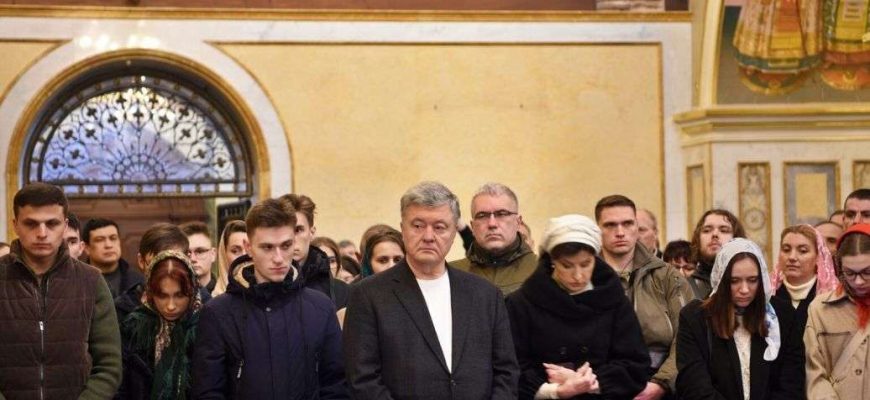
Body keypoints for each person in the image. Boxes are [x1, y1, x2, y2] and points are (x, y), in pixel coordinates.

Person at [343, 181, 519, 399]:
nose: (428, 236)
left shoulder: (485, 295)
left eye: (439, 227)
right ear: (403, 229)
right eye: (418, 226)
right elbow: (363, 379)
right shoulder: (368, 295)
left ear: (453, 232)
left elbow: (506, 372)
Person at [192, 198, 347, 398]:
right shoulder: (218, 313)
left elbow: (335, 385)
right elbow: (208, 391)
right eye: (267, 247)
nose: (278, 258)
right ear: (248, 247)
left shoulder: (321, 308)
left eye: (286, 245)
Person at [506, 214, 651, 399]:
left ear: (596, 258)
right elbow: (512, 365)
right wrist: (555, 391)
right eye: (567, 266)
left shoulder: (613, 299)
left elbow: (635, 364)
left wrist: (589, 383)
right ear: (552, 261)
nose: (578, 276)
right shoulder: (522, 303)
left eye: (585, 264)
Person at [0, 182, 121, 399]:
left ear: (65, 226)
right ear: (15, 225)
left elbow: (109, 365)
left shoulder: (91, 281)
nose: (42, 233)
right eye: (31, 224)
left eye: (52, 223)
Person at [676, 238, 805, 400]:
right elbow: (694, 386)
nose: (744, 290)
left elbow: (791, 384)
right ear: (722, 280)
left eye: (752, 280)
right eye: (734, 281)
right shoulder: (695, 318)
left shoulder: (783, 316)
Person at [594, 195, 693, 400]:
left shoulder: (667, 276)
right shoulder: (585, 277)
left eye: (627, 223)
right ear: (598, 230)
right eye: (610, 225)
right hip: (599, 384)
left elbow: (688, 337)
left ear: (636, 227)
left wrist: (661, 383)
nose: (620, 232)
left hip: (660, 382)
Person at [117, 250, 202, 400]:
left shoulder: (204, 327)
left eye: (179, 295)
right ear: (150, 293)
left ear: (192, 291)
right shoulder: (134, 327)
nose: (171, 306)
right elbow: (122, 384)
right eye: (162, 296)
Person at [805, 223, 870, 398]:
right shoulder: (820, 309)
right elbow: (814, 374)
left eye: (867, 272)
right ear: (839, 269)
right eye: (850, 273)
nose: (858, 281)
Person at [454, 183, 537, 296]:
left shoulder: (545, 272)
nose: (492, 224)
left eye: (501, 214)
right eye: (482, 216)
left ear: (518, 222)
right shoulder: (450, 275)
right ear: (473, 226)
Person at [279, 193, 349, 308]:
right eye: (284, 230)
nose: (291, 238)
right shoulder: (263, 286)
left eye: (298, 230)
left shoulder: (341, 292)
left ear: (311, 232)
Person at [116, 223, 190, 324]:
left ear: (187, 260)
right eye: (156, 264)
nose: (166, 272)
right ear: (141, 261)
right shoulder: (122, 309)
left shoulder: (203, 305)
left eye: (174, 263)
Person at [770, 225, 839, 330]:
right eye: (786, 250)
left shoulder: (833, 295)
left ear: (818, 257)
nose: (792, 257)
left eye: (803, 251)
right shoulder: (767, 293)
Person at [689, 209, 746, 298]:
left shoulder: (750, 286)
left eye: (724, 230)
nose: (715, 234)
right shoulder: (682, 288)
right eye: (707, 230)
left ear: (737, 238)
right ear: (698, 240)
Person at [84, 218, 144, 300]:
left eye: (113, 238)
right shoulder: (77, 282)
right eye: (100, 240)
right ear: (87, 248)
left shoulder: (138, 281)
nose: (108, 245)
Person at [179, 221, 218, 296]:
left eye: (200, 251)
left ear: (213, 254)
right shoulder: (172, 298)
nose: (193, 259)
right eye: (186, 253)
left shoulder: (225, 294)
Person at [212, 220, 246, 297]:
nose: (244, 256)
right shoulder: (215, 300)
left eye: (249, 250)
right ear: (223, 254)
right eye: (235, 251)